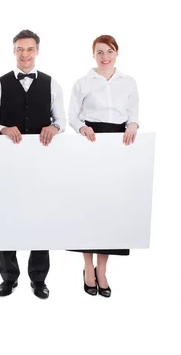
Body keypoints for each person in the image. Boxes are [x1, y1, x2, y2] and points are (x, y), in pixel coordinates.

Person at [0, 29, 66, 299]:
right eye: (20, 49)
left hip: (41, 164)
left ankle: (39, 279)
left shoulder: (52, 83)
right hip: (7, 163)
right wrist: (3, 129)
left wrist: (54, 128)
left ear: (37, 51)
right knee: (7, 216)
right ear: (14, 51)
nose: (25, 54)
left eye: (30, 49)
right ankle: (8, 278)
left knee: (40, 217)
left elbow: (61, 121)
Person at [68, 34, 139, 297]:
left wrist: (133, 125)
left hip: (118, 143)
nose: (104, 56)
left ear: (116, 53)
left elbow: (134, 113)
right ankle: (87, 267)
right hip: (90, 141)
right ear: (93, 55)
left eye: (109, 51)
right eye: (99, 52)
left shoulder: (128, 82)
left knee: (110, 208)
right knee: (87, 206)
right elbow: (72, 116)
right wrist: (82, 127)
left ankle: (102, 269)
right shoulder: (83, 82)